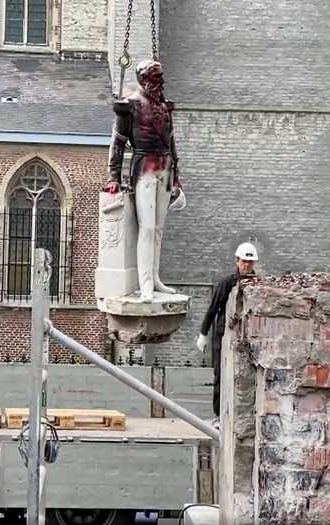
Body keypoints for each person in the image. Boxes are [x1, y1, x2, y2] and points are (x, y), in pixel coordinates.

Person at [104, 59, 185, 302]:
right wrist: (113, 176)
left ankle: (155, 278)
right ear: (143, 80)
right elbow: (118, 142)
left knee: (158, 229)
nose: (159, 83)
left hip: (165, 168)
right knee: (147, 228)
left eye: (160, 79)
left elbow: (171, 142)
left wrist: (177, 176)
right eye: (155, 79)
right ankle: (145, 283)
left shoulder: (163, 105)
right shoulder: (131, 106)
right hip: (145, 169)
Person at [196, 243, 258, 426]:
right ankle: (218, 415)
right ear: (237, 261)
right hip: (223, 336)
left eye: (250, 262)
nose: (247, 265)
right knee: (220, 376)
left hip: (246, 337)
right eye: (244, 261)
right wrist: (203, 333)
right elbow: (213, 309)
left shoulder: (257, 284)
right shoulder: (226, 283)